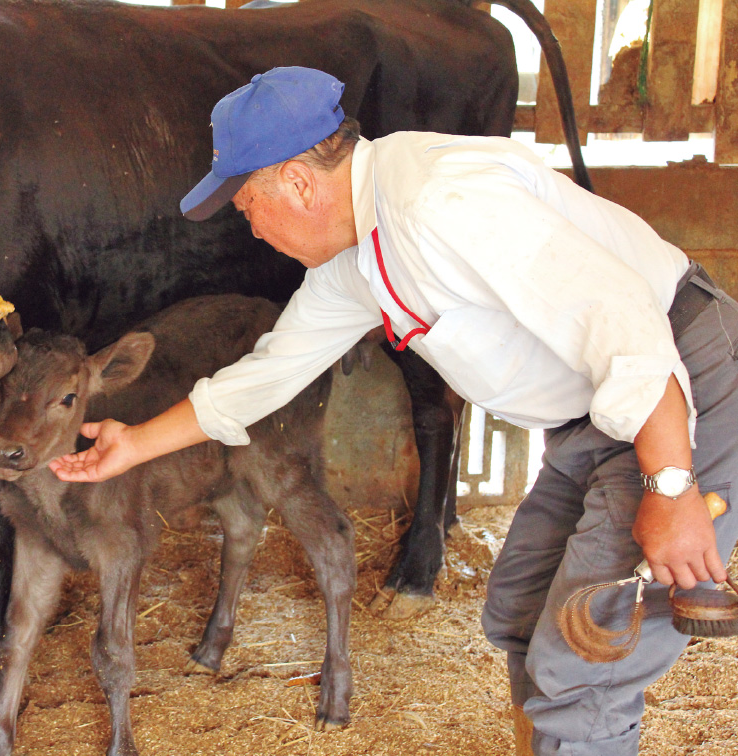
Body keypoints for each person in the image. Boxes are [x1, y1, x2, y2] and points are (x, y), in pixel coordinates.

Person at [48, 66, 738, 754]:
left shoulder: (437, 200)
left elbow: (621, 318)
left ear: (297, 180)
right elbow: (265, 376)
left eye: (249, 203)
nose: (252, 227)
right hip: (596, 419)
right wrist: (134, 443)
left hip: (676, 386)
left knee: (583, 663)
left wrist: (671, 486)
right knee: (520, 612)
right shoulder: (359, 258)